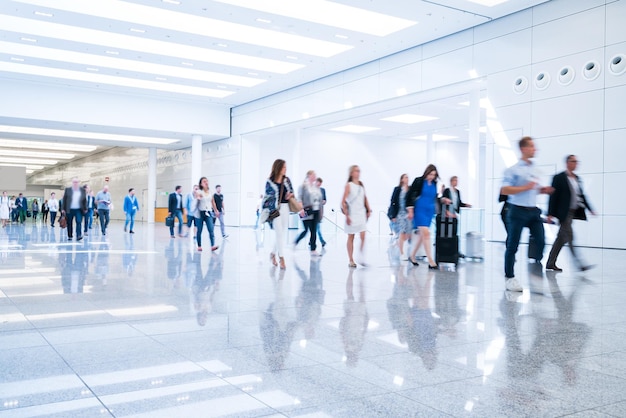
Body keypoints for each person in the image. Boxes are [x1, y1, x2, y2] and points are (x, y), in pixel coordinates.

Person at [500, 136, 554, 292]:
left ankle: (535, 270)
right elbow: (505, 189)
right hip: (516, 210)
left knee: (541, 241)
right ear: (523, 149)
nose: (534, 149)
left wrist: (542, 190)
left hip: (533, 212)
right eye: (531, 146)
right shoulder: (513, 170)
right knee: (512, 246)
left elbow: (533, 189)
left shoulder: (534, 168)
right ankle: (509, 277)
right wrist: (525, 187)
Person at [546, 155, 596, 272]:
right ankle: (579, 263)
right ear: (567, 163)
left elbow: (582, 196)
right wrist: (550, 213)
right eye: (573, 161)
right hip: (563, 213)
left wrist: (590, 208)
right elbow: (553, 196)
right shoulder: (559, 178)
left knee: (561, 239)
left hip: (573, 212)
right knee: (570, 237)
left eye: (576, 161)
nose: (575, 163)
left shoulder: (577, 179)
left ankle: (550, 263)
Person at [406, 164, 451, 269]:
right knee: (427, 233)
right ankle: (431, 260)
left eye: (434, 175)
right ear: (426, 172)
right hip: (419, 210)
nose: (432, 176)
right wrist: (410, 210)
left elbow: (434, 197)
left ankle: (412, 255)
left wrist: (443, 199)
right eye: (430, 174)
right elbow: (410, 195)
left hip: (429, 211)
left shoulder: (434, 184)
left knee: (423, 236)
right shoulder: (419, 181)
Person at [264, 159, 295, 270]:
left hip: (285, 208)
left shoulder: (287, 180)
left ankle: (272, 253)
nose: (285, 169)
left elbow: (292, 192)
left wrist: (289, 195)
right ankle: (281, 257)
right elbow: (267, 197)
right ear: (278, 168)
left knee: (281, 234)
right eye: (283, 167)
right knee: (279, 234)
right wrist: (271, 208)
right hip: (275, 210)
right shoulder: (269, 181)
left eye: (286, 167)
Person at [342, 165, 372, 268]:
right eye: (356, 171)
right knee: (351, 236)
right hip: (352, 214)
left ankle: (360, 256)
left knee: (363, 235)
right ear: (351, 173)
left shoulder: (361, 185)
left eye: (359, 171)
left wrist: (368, 209)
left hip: (361, 213)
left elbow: (365, 197)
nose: (358, 173)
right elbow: (343, 201)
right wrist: (347, 215)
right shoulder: (349, 185)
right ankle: (351, 259)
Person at [294, 170, 323, 256]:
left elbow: (319, 199)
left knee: (314, 231)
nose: (315, 177)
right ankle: (295, 242)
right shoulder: (303, 186)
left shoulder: (315, 187)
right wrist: (301, 209)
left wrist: (321, 211)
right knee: (306, 230)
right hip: (307, 210)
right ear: (309, 175)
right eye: (314, 175)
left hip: (316, 210)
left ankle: (313, 249)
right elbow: (299, 198)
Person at [388, 174, 411, 261]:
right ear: (401, 179)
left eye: (408, 177)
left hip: (407, 213)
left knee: (407, 234)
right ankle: (402, 253)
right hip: (399, 213)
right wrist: (393, 215)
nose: (407, 179)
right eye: (405, 177)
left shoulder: (409, 189)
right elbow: (393, 201)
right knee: (402, 232)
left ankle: (398, 243)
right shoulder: (397, 189)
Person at [195, 177, 219, 252]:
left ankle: (212, 245)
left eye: (207, 181)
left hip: (208, 212)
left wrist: (216, 210)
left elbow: (213, 202)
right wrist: (198, 197)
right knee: (199, 230)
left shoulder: (210, 192)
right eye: (204, 181)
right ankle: (199, 245)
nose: (206, 182)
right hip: (200, 212)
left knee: (211, 229)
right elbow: (197, 197)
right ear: (201, 184)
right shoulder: (199, 191)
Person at [316, 178, 327, 248]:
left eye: (320, 183)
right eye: (318, 182)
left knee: (317, 227)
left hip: (320, 210)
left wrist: (323, 202)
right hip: (313, 210)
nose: (319, 184)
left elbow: (325, 200)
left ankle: (311, 241)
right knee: (317, 227)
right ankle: (322, 241)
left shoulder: (323, 190)